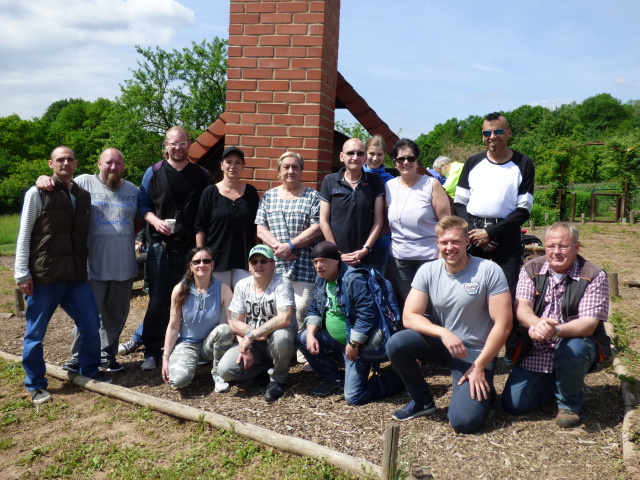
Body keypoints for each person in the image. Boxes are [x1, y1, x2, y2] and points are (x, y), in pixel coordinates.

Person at [386, 216, 512, 433]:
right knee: (397, 343)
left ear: (467, 242)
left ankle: (484, 387)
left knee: (464, 422)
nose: (449, 247)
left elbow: (504, 324)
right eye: (444, 242)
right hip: (445, 345)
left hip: (475, 352)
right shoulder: (428, 271)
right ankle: (422, 401)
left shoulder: (488, 270)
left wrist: (480, 365)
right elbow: (409, 316)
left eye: (455, 242)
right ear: (437, 244)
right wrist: (443, 332)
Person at [15, 146, 112, 403]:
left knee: (91, 324)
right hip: (45, 276)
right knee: (35, 334)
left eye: (70, 159)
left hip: (76, 277)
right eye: (60, 159)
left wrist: (87, 269)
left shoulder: (83, 195)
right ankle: (35, 383)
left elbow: (82, 238)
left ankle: (89, 370)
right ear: (51, 164)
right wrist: (22, 273)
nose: (65, 163)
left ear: (76, 164)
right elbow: (24, 234)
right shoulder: (37, 193)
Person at [36, 148, 139, 374]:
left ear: (123, 167)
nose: (113, 167)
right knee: (87, 317)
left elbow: (141, 220)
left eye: (118, 163)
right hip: (92, 266)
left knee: (116, 316)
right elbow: (58, 182)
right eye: (109, 162)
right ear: (98, 163)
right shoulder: (84, 183)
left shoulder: (134, 191)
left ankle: (107, 356)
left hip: (124, 265)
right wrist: (42, 178)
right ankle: (76, 357)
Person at [501, 223, 609, 428]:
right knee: (513, 405)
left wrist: (555, 331)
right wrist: (537, 323)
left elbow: (588, 324)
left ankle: (569, 404)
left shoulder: (594, 274)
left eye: (563, 246)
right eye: (551, 246)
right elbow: (522, 306)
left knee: (572, 348)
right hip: (537, 348)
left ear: (576, 247)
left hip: (573, 344)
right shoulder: (531, 268)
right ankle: (562, 381)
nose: (556, 252)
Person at [136, 126, 212, 370]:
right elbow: (142, 204)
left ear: (189, 145)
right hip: (160, 247)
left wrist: (202, 250)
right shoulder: (154, 172)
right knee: (158, 300)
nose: (178, 147)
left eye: (182, 143)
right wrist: (154, 221)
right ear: (165, 146)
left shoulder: (201, 174)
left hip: (191, 248)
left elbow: (206, 212)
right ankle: (152, 350)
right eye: (173, 143)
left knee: (189, 299)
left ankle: (184, 346)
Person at [298, 241, 404, 405]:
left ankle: (399, 378)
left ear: (337, 260)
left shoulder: (354, 279)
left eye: (323, 261)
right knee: (303, 338)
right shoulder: (322, 280)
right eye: (315, 262)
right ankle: (335, 380)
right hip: (336, 340)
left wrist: (354, 344)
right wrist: (311, 335)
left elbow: (367, 314)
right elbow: (314, 309)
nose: (319, 266)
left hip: (358, 344)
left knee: (354, 397)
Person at [454, 112, 535, 298]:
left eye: (498, 131)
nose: (492, 137)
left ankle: (505, 328)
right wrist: (477, 233)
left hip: (507, 238)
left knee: (505, 295)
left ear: (509, 133)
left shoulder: (524, 163)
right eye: (487, 133)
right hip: (473, 237)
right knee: (471, 293)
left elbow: (524, 210)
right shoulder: (473, 162)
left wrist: (491, 233)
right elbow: (459, 203)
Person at [255, 151, 322, 365]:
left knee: (303, 307)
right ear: (278, 172)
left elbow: (317, 227)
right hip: (277, 267)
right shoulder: (268, 196)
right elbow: (260, 227)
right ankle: (282, 349)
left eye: (295, 167)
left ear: (301, 171)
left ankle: (303, 350)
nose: (290, 171)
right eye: (286, 167)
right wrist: (279, 248)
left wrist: (291, 245)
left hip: (304, 265)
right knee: (278, 309)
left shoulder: (312, 196)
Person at [217, 245, 296, 402]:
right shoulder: (242, 285)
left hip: (275, 339)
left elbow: (285, 318)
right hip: (254, 342)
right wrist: (245, 342)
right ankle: (264, 369)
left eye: (263, 261)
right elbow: (234, 322)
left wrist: (252, 334)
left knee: (282, 336)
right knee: (225, 370)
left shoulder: (282, 283)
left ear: (273, 264)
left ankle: (278, 380)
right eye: (254, 261)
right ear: (249, 266)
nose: (258, 265)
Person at [385, 139, 451, 302]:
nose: (406, 162)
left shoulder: (431, 184)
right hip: (399, 259)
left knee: (430, 305)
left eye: (411, 158)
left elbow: (446, 223)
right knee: (409, 305)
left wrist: (443, 254)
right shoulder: (389, 186)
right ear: (395, 162)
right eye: (401, 159)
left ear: (417, 161)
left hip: (429, 257)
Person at [162, 248, 235, 392]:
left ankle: (218, 373)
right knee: (178, 381)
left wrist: (246, 342)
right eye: (197, 261)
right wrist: (165, 357)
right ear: (191, 266)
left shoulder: (223, 289)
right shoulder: (180, 289)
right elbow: (173, 327)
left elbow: (233, 322)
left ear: (212, 265)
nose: (202, 265)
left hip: (210, 344)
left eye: (206, 261)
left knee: (225, 329)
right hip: (187, 344)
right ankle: (190, 363)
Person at [195, 146, 259, 289]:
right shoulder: (210, 192)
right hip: (216, 259)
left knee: (242, 305)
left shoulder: (251, 192)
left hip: (244, 258)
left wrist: (258, 255)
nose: (232, 166)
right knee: (219, 304)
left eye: (237, 162)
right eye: (228, 162)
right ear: (221, 165)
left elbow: (256, 227)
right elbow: (200, 227)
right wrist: (201, 257)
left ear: (243, 166)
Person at [319, 137, 385, 270]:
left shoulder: (374, 181)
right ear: (342, 156)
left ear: (365, 156)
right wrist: (336, 252)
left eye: (360, 153)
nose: (355, 157)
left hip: (367, 258)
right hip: (336, 257)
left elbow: (379, 220)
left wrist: (365, 249)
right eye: (350, 153)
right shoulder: (329, 181)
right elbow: (323, 220)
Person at [362, 134, 396, 275]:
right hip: (354, 241)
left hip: (380, 242)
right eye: (371, 153)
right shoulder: (355, 175)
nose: (375, 158)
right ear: (365, 153)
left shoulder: (391, 181)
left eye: (379, 154)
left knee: (376, 285)